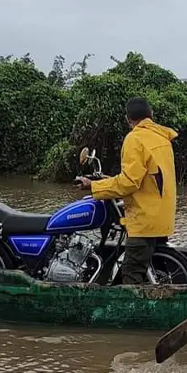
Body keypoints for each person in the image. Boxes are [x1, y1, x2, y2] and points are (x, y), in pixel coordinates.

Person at [76, 97, 178, 284]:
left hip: (144, 220)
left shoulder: (135, 138)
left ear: (127, 118)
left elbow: (129, 183)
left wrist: (93, 186)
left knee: (131, 272)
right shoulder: (163, 139)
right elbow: (148, 177)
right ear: (151, 115)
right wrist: (109, 180)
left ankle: (133, 311)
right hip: (161, 217)